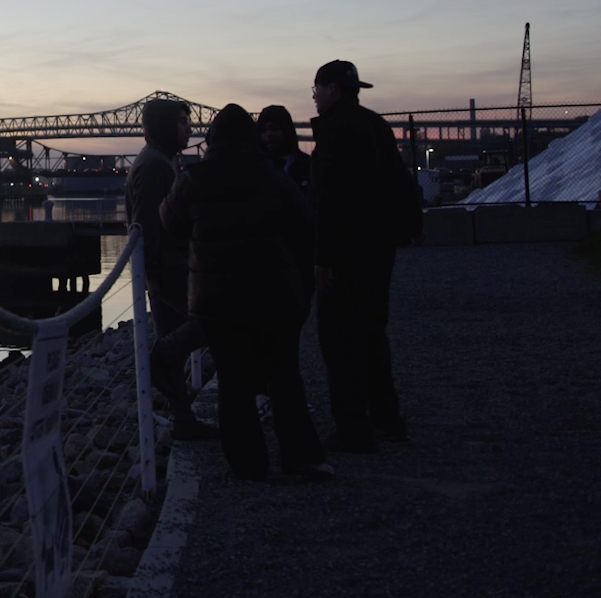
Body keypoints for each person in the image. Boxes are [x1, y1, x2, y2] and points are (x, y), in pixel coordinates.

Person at [160, 104, 330, 481]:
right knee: (284, 376)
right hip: (276, 297)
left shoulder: (194, 177)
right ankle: (301, 459)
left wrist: (202, 235)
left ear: (213, 140)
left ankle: (248, 465)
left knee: (234, 383)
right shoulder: (272, 176)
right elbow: (306, 223)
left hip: (218, 301)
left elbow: (169, 222)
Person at [309, 60, 421, 452]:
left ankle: (353, 429)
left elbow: (331, 201)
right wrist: (406, 231)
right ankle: (388, 419)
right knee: (372, 334)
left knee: (338, 341)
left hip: (346, 252)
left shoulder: (334, 132)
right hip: (379, 249)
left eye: (317, 89)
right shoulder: (376, 124)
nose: (315, 96)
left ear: (333, 90)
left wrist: (323, 258)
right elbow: (401, 182)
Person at [124, 98, 218, 439]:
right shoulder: (154, 167)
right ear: (163, 126)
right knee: (216, 323)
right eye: (181, 122)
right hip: (169, 267)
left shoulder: (159, 161)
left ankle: (183, 419)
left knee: (174, 339)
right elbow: (149, 226)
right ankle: (159, 361)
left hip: (163, 267)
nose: (189, 129)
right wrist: (158, 276)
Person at [256, 105, 311, 193]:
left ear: (286, 130)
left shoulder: (309, 166)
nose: (269, 134)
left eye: (274, 128)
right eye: (263, 130)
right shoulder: (257, 169)